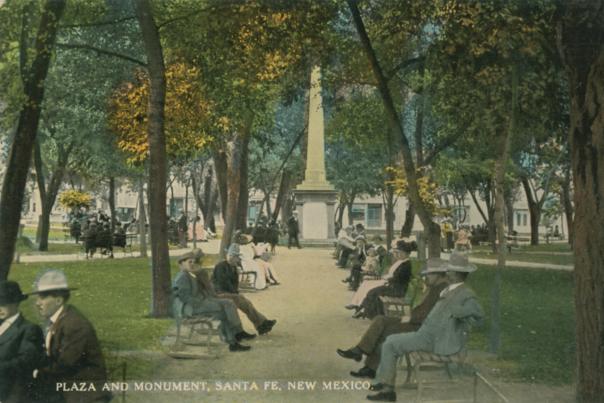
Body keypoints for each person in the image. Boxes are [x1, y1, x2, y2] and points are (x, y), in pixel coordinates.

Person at [366, 252, 483, 402]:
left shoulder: (466, 293)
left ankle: (387, 389)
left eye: (450, 270)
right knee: (390, 342)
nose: (447, 272)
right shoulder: (450, 289)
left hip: (439, 340)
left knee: (390, 344)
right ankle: (386, 387)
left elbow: (478, 316)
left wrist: (458, 313)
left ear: (457, 273)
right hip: (427, 334)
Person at [336, 258, 449, 379]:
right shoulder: (435, 288)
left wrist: (409, 318)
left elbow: (428, 314)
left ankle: (369, 366)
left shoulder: (441, 290)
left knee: (385, 331)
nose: (426, 277)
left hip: (420, 327)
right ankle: (360, 351)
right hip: (415, 321)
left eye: (429, 274)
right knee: (380, 319)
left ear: (438, 274)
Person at [31, 269, 111, 403]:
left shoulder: (74, 324)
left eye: (43, 297)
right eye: (38, 297)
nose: (37, 303)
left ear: (58, 300)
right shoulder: (60, 320)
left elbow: (65, 364)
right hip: (66, 387)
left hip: (84, 393)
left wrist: (37, 373)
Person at [173, 252, 255, 352]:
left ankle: (234, 338)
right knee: (223, 310)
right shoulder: (182, 277)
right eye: (189, 262)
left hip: (197, 304)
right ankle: (235, 337)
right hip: (190, 308)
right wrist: (202, 302)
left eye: (193, 262)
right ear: (181, 264)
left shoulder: (189, 274)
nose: (192, 264)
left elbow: (200, 290)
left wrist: (205, 299)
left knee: (227, 304)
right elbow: (185, 297)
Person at [212, 249, 277, 335]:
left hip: (227, 293)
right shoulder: (221, 266)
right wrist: (235, 294)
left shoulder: (234, 267)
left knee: (246, 302)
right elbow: (222, 283)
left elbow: (234, 284)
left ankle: (261, 324)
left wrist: (235, 293)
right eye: (236, 257)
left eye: (238, 257)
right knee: (241, 300)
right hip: (218, 293)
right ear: (231, 257)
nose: (238, 260)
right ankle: (261, 324)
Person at [0, 281, 45, 403]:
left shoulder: (28, 329)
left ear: (16, 302)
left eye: (4, 303)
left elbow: (25, 361)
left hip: (13, 393)